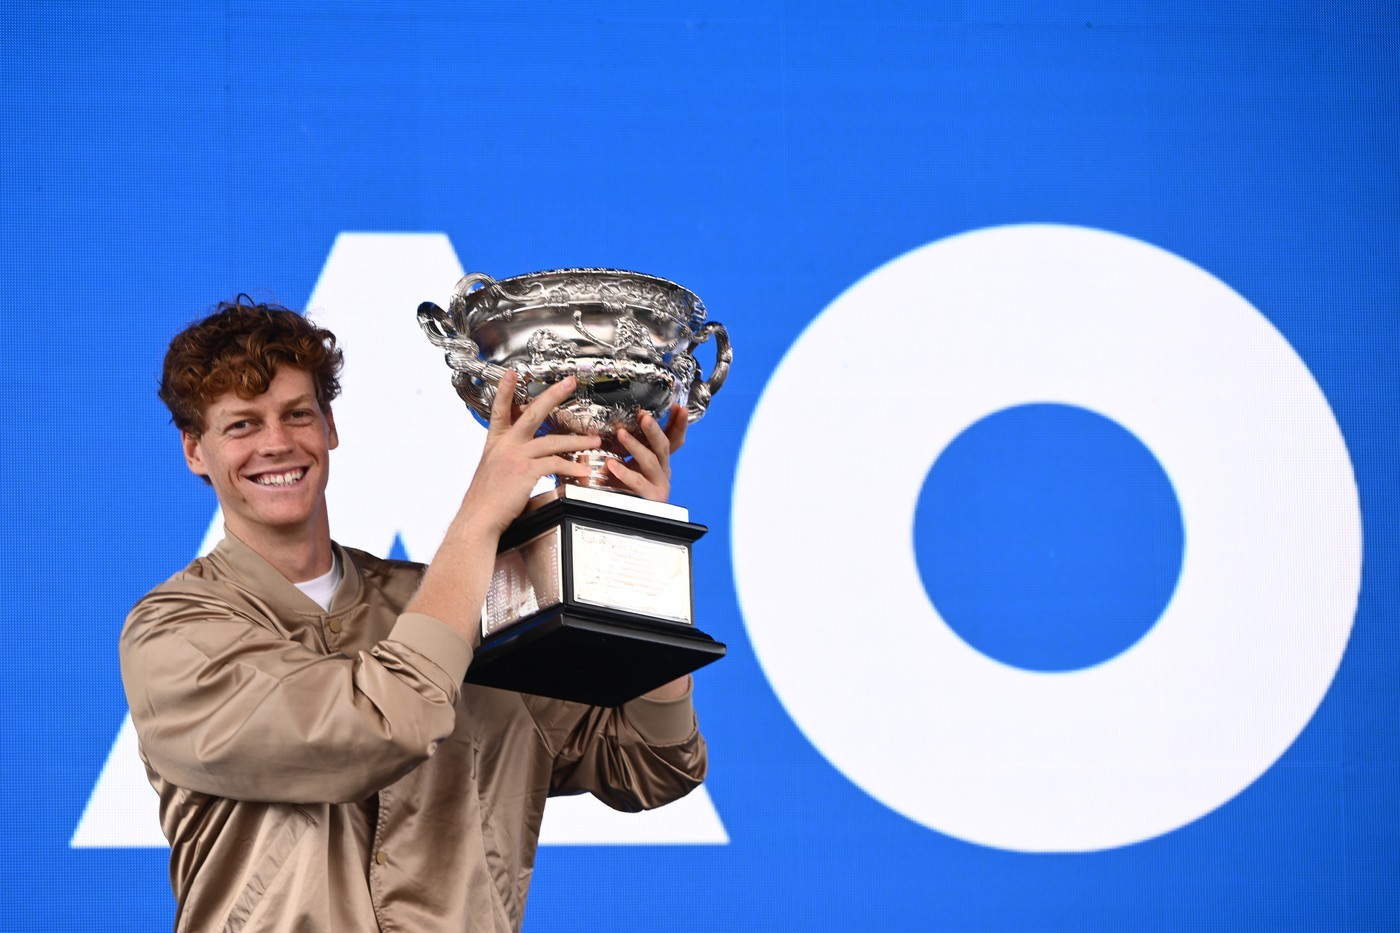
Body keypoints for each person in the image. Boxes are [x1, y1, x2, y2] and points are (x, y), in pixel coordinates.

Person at [120, 297, 707, 932]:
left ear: (330, 426)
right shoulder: (174, 633)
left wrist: (626, 542)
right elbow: (376, 726)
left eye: (297, 415)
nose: (277, 443)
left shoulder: (470, 602)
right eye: (241, 426)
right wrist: (479, 521)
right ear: (194, 451)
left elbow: (652, 765)